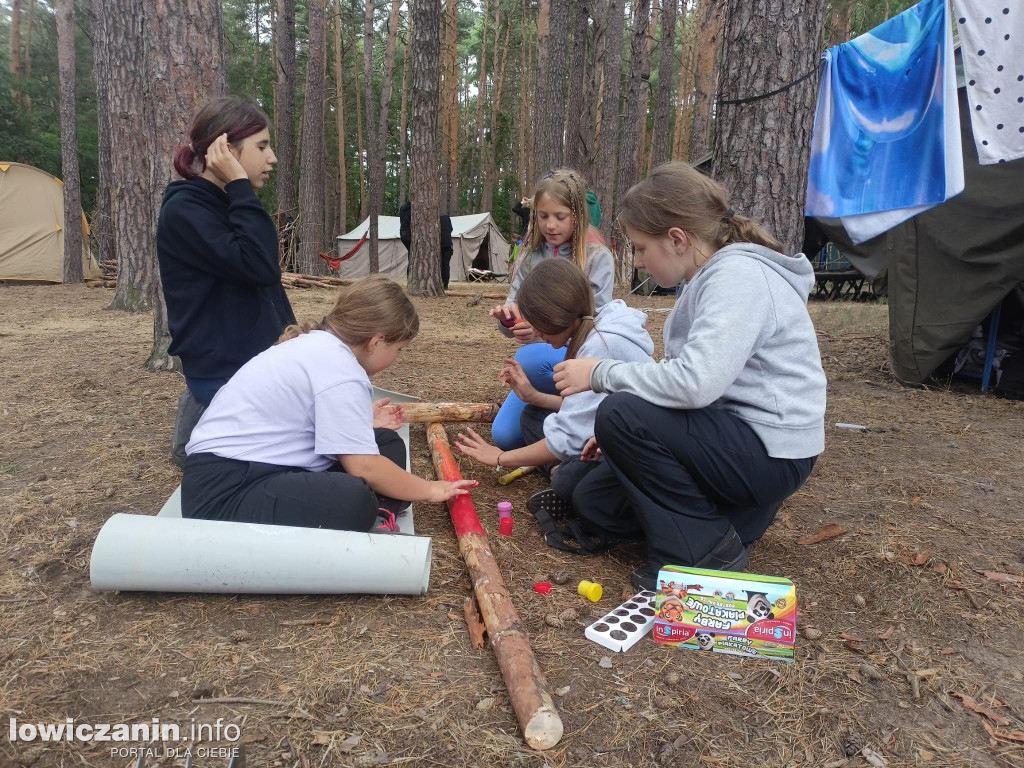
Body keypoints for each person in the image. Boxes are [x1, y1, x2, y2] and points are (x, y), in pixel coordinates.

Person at [553, 161, 826, 589]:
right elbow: (695, 379)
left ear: (677, 239)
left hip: (768, 453)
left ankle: (705, 551)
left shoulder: (738, 278)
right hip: (731, 440)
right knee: (586, 490)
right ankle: (722, 523)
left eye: (641, 248)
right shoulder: (706, 278)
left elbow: (696, 383)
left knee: (619, 413)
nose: (639, 263)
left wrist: (602, 374)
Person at [181, 277, 476, 531]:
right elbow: (364, 468)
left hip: (258, 466)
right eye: (397, 349)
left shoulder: (320, 346)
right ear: (376, 342)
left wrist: (361, 422)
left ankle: (379, 511)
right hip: (224, 492)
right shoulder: (341, 371)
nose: (396, 359)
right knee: (355, 498)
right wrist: (429, 489)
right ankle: (369, 510)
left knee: (385, 442)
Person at [157, 96, 296, 469]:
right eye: (262, 146)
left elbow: (266, 279)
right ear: (225, 149)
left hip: (251, 364)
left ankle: (193, 443)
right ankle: (193, 449)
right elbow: (259, 266)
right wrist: (238, 185)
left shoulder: (227, 203)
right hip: (224, 370)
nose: (272, 158)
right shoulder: (186, 210)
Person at [455, 259, 653, 504]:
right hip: (602, 430)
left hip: (636, 447)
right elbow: (589, 410)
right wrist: (533, 397)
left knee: (568, 483)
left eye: (538, 325)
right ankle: (559, 466)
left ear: (555, 317)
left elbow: (570, 433)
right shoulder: (590, 326)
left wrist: (498, 458)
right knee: (531, 414)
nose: (536, 334)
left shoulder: (599, 347)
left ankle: (562, 469)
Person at [488, 169, 615, 450]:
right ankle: (560, 417)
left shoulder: (597, 258)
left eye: (560, 217)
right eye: (543, 216)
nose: (550, 225)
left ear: (578, 216)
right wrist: (509, 320)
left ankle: (583, 416)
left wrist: (542, 330)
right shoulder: (529, 254)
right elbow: (514, 312)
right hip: (547, 365)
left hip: (581, 359)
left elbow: (599, 325)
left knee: (530, 357)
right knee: (505, 437)